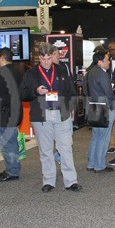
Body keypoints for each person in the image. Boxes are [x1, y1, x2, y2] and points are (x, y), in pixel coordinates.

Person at [21, 42, 80, 192]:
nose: (46, 62)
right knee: (45, 150)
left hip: (61, 115)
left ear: (52, 56)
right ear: (38, 58)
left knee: (65, 148)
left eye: (48, 58)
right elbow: (23, 94)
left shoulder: (61, 70)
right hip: (41, 116)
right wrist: (35, 91)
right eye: (43, 59)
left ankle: (71, 181)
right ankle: (48, 181)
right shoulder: (31, 73)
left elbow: (72, 92)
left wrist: (68, 108)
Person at [0, 47, 23, 182]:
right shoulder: (16, 72)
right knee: (11, 142)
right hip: (13, 113)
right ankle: (12, 167)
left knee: (7, 144)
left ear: (1, 57)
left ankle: (12, 171)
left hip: (3, 115)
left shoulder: (2, 74)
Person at [85, 47, 115, 173]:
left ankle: (91, 163)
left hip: (94, 106)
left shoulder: (90, 72)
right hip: (105, 108)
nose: (109, 62)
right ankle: (99, 165)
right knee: (104, 138)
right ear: (100, 62)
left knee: (96, 136)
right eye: (107, 60)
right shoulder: (102, 74)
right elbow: (109, 93)